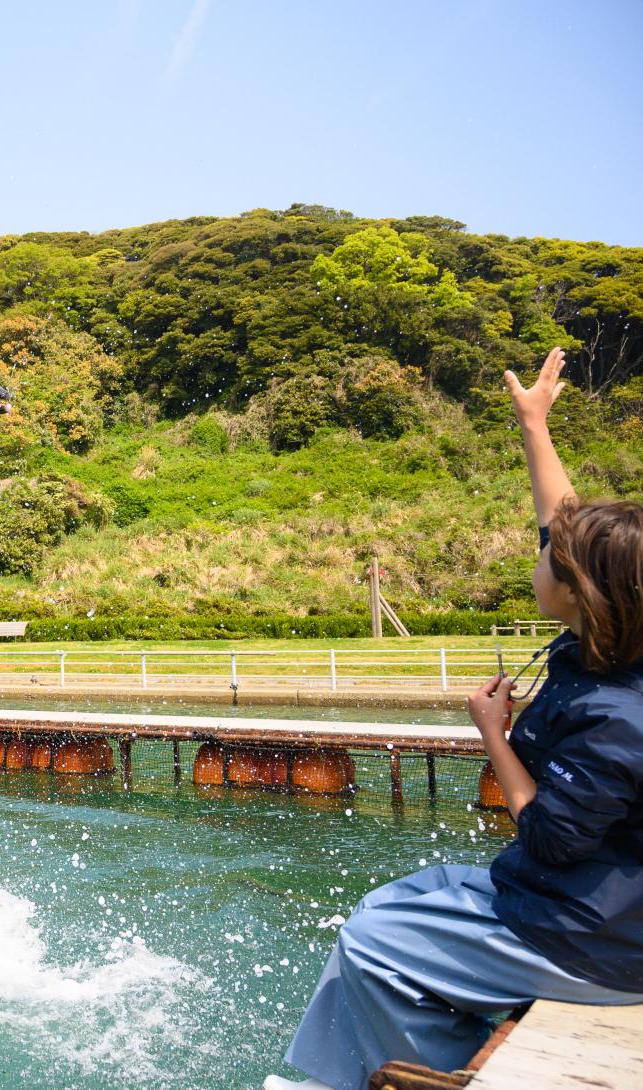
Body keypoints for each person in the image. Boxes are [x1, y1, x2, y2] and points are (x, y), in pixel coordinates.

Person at [265, 348, 643, 1090]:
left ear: (577, 591)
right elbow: (558, 516)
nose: (535, 556)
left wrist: (493, 738)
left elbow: (548, 838)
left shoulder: (618, 718)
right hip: (582, 909)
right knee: (392, 898)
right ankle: (396, 1052)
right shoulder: (608, 636)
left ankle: (403, 1075)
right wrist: (532, 425)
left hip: (593, 942)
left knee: (371, 940)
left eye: (548, 559)